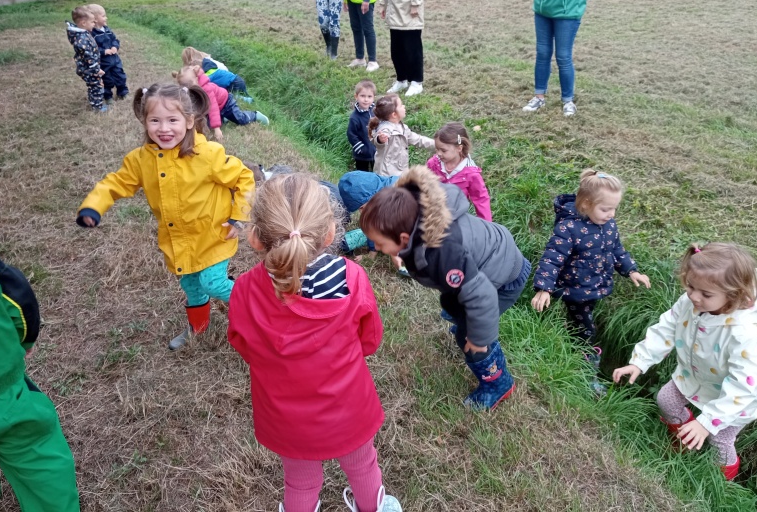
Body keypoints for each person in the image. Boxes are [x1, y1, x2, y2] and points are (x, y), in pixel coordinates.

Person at [227, 173, 402, 512]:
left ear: (256, 238)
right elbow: (370, 340)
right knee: (363, 465)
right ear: (331, 233)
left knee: (300, 481)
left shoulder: (245, 289)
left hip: (287, 420)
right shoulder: (352, 278)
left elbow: (242, 343)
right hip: (350, 409)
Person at [76, 83, 256, 350]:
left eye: (172, 120)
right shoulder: (141, 160)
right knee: (192, 286)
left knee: (213, 283)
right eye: (155, 120)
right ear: (144, 121)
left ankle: (257, 307)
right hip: (179, 242)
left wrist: (238, 216)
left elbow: (244, 177)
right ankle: (198, 327)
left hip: (213, 236)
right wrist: (93, 206)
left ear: (189, 121)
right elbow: (116, 183)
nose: (164, 128)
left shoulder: (207, 154)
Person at [360, 166, 531, 410]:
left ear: (404, 238)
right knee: (460, 310)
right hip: (485, 262)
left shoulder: (444, 253)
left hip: (502, 276)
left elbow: (482, 298)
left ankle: (498, 384)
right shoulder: (414, 214)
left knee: (470, 334)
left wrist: (478, 339)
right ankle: (467, 327)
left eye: (379, 243)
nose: (377, 248)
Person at [613, 243, 757, 481]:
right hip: (696, 376)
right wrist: (640, 361)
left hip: (736, 398)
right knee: (666, 400)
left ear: (733, 295)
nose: (694, 296)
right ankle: (685, 440)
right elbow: (667, 327)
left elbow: (744, 386)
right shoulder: (691, 303)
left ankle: (721, 482)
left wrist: (706, 422)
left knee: (719, 438)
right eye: (691, 286)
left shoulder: (743, 333)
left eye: (706, 294)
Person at [0, 254, 80, 512]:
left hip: (4, 392)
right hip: (10, 395)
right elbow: (20, 300)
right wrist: (25, 340)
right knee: (41, 459)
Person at [531, 169, 650, 394]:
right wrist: (544, 288)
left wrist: (631, 271)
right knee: (585, 328)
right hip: (575, 288)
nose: (611, 214)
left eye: (614, 209)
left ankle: (575, 341)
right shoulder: (568, 228)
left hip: (594, 285)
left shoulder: (608, 225)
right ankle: (586, 364)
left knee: (582, 319)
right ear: (586, 204)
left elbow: (616, 250)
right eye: (605, 209)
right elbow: (552, 258)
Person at [173, 65, 268, 143]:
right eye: (185, 86)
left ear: (197, 79)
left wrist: (217, 128)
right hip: (215, 107)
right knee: (207, 125)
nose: (189, 88)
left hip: (226, 103)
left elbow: (213, 108)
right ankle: (223, 117)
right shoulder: (192, 88)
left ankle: (255, 115)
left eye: (190, 84)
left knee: (240, 119)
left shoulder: (206, 89)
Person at [426, 122, 492, 222]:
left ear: (459, 148)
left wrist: (486, 225)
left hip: (456, 217)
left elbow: (480, 199)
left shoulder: (471, 174)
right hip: (433, 213)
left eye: (443, 150)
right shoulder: (433, 164)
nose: (438, 153)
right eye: (437, 149)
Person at [369, 94, 434, 178]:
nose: (404, 106)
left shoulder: (402, 128)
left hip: (400, 171)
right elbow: (378, 141)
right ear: (394, 115)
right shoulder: (385, 129)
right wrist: (380, 140)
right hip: (386, 175)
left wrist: (436, 144)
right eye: (401, 105)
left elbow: (418, 139)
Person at [65, 6, 106, 112]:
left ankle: (94, 102)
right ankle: (97, 107)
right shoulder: (81, 39)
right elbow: (89, 58)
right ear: (83, 23)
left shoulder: (82, 33)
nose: (94, 23)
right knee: (96, 86)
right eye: (92, 21)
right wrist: (97, 70)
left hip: (88, 67)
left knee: (93, 85)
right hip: (88, 69)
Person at [181, 47, 253, 103]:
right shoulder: (208, 63)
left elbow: (200, 85)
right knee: (242, 94)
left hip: (234, 83)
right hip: (236, 79)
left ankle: (247, 100)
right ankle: (249, 99)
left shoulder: (208, 74)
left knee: (232, 97)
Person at [88, 4, 129, 104]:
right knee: (106, 79)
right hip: (103, 62)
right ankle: (108, 96)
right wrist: (104, 51)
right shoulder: (92, 34)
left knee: (120, 76)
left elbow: (115, 39)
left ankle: (122, 92)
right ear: (95, 19)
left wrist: (115, 46)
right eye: (103, 16)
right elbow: (92, 49)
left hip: (115, 59)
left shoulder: (107, 29)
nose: (106, 18)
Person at [347, 80, 377, 173]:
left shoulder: (375, 112)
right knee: (362, 174)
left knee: (377, 171)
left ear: (373, 98)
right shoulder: (354, 117)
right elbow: (351, 134)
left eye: (369, 96)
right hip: (362, 154)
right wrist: (360, 148)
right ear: (356, 96)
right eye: (362, 96)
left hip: (376, 151)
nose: (366, 99)